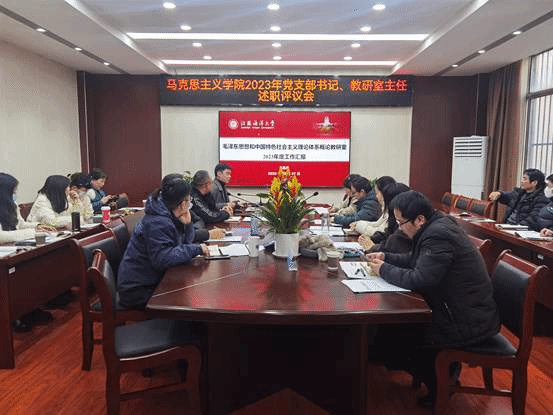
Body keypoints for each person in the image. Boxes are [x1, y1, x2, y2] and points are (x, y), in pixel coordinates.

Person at [366, 190, 499, 407]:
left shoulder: (438, 235)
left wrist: (383, 270)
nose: (399, 228)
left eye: (401, 223)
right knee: (389, 332)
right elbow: (416, 260)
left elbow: (420, 279)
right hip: (460, 308)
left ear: (419, 219)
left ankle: (442, 381)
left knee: (395, 333)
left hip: (466, 320)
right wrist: (386, 257)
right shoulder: (434, 226)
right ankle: (436, 376)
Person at [118, 174, 209, 310]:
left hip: (152, 281)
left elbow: (183, 245)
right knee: (192, 303)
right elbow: (162, 259)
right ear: (183, 204)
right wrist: (196, 248)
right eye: (188, 200)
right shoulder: (158, 221)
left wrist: (187, 224)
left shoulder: (168, 213)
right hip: (138, 290)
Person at [0, 173, 57, 332]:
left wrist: (37, 227)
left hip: (15, 248)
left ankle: (31, 308)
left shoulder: (11, 205)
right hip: (4, 256)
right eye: (12, 192)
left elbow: (22, 225)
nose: (15, 195)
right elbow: (1, 236)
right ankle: (15, 314)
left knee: (35, 266)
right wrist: (31, 233)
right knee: (17, 273)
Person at [362, 182, 412, 254]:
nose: (381, 202)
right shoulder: (393, 217)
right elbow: (387, 234)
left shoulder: (404, 221)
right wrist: (372, 238)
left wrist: (373, 247)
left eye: (383, 200)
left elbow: (396, 249)